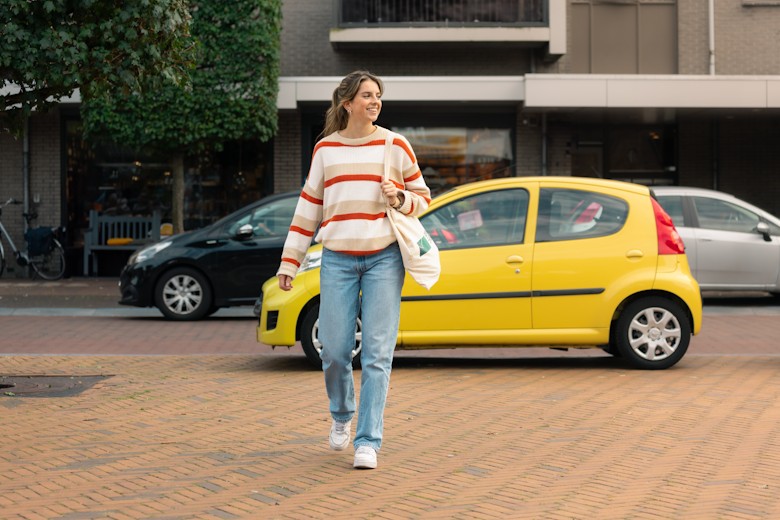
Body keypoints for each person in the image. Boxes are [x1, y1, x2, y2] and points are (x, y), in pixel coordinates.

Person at [276, 70, 432, 470]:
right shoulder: (325, 148)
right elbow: (308, 208)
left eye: (378, 95)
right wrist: (290, 261)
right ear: (347, 104)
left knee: (378, 353)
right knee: (335, 350)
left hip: (384, 257)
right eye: (367, 95)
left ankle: (368, 440)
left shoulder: (395, 144)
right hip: (338, 260)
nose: (374, 101)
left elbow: (424, 198)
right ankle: (342, 413)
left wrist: (399, 198)